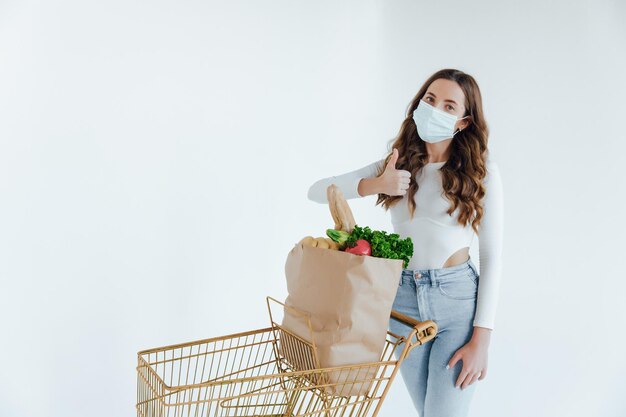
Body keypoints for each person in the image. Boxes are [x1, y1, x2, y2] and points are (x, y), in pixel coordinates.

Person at [306, 68, 504, 417]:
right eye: (430, 99)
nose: (435, 109)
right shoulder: (396, 163)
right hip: (401, 304)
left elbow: (492, 254)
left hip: (456, 303)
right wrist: (375, 185)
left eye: (448, 106)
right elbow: (317, 191)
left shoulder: (481, 170)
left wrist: (481, 340)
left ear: (463, 121)